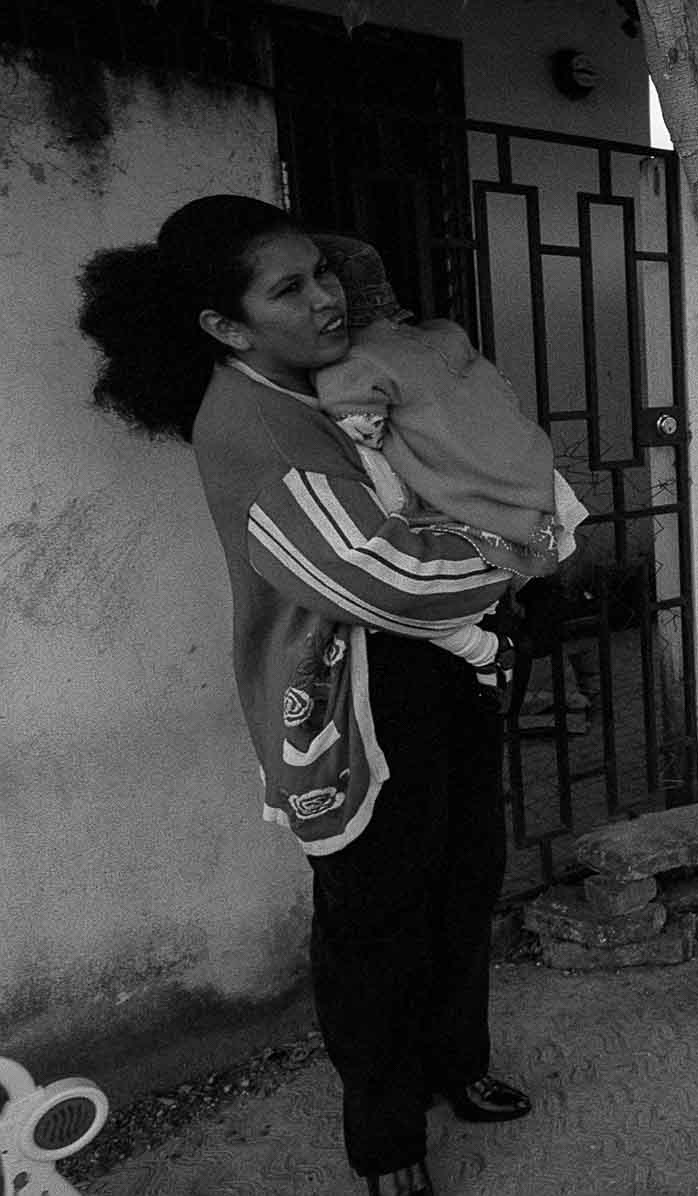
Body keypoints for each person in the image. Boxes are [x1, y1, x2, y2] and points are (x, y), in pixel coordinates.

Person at [76, 196, 532, 1196]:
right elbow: (379, 573)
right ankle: (384, 1134)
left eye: (321, 272)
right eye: (289, 288)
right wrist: (518, 547)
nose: (326, 296)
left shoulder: (335, 380)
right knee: (374, 921)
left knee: (463, 878)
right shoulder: (253, 424)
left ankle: (458, 1064)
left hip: (438, 668)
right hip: (353, 703)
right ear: (226, 325)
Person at [309, 233, 588, 697]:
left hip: (465, 508)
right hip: (526, 475)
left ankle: (484, 652)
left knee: (409, 593)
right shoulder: (444, 336)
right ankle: (534, 600)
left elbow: (363, 426)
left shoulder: (350, 364)